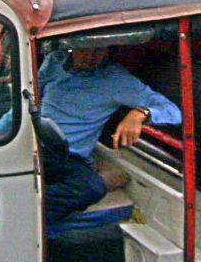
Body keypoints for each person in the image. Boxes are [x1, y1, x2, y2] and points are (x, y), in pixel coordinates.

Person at [30, 47, 181, 223]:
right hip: (31, 144)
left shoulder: (116, 79)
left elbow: (173, 111)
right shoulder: (54, 61)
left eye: (99, 51)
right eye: (85, 49)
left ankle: (26, 214)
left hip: (68, 157)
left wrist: (141, 114)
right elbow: (29, 97)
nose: (91, 57)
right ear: (73, 45)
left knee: (90, 189)